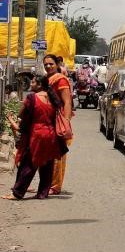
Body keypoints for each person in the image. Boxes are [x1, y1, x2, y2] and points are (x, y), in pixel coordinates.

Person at [3, 75, 63, 200]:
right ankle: (43, 193)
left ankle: (17, 193)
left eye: (33, 82)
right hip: (51, 135)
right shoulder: (52, 98)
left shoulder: (32, 98)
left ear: (40, 85)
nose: (30, 84)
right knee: (47, 164)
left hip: (37, 135)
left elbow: (21, 115)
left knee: (29, 164)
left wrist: (12, 119)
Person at [43, 54, 73, 196]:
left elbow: (67, 102)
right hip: (46, 120)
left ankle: (55, 185)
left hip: (58, 120)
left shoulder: (61, 80)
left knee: (57, 154)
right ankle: (46, 183)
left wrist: (66, 122)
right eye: (46, 64)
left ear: (57, 65)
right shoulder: (47, 79)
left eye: (51, 64)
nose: (48, 66)